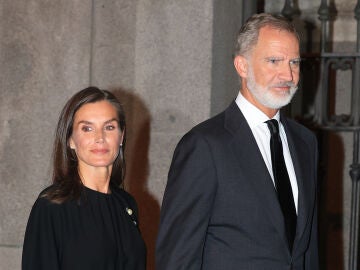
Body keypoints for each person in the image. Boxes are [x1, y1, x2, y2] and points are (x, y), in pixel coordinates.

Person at [156, 13, 318, 270]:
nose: (288, 74)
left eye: (294, 62)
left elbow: (306, 249)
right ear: (242, 66)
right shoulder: (205, 145)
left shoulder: (305, 142)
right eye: (274, 61)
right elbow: (177, 257)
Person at [22, 87, 146, 270]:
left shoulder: (126, 204)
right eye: (87, 128)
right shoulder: (51, 206)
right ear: (71, 139)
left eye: (109, 127)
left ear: (121, 136)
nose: (100, 138)